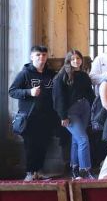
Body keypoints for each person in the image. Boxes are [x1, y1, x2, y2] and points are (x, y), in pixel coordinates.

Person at [10, 45, 57, 181]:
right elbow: (12, 91)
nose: (41, 58)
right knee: (31, 146)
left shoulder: (51, 74)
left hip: (47, 116)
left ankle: (38, 171)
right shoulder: (25, 73)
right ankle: (30, 173)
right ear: (32, 57)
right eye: (38, 55)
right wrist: (28, 92)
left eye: (43, 55)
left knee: (43, 145)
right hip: (29, 117)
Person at [53, 50, 96, 179]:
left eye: (78, 58)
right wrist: (63, 116)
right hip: (71, 112)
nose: (76, 61)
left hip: (85, 108)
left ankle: (75, 167)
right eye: (73, 59)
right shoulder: (62, 76)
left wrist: (93, 109)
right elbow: (58, 98)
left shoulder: (84, 75)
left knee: (77, 140)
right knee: (83, 140)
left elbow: (90, 94)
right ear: (68, 61)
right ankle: (85, 170)